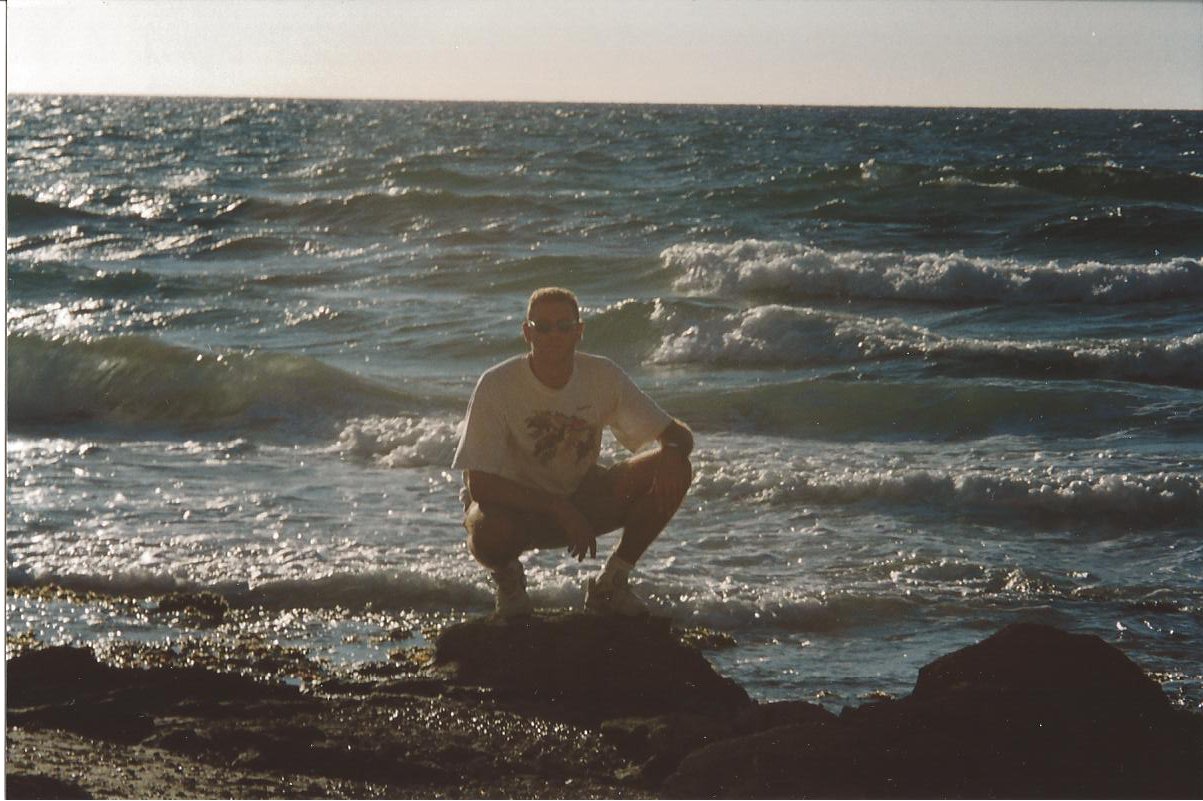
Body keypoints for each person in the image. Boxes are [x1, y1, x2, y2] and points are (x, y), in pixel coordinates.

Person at [451, 287, 693, 618]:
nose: (554, 335)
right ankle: (509, 583)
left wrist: (674, 452)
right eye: (543, 327)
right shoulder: (497, 384)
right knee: (487, 531)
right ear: (527, 332)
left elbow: (677, 435)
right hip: (513, 510)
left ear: (579, 331)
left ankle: (612, 583)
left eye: (564, 326)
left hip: (582, 497)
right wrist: (557, 508)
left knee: (676, 465)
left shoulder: (602, 375)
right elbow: (480, 485)